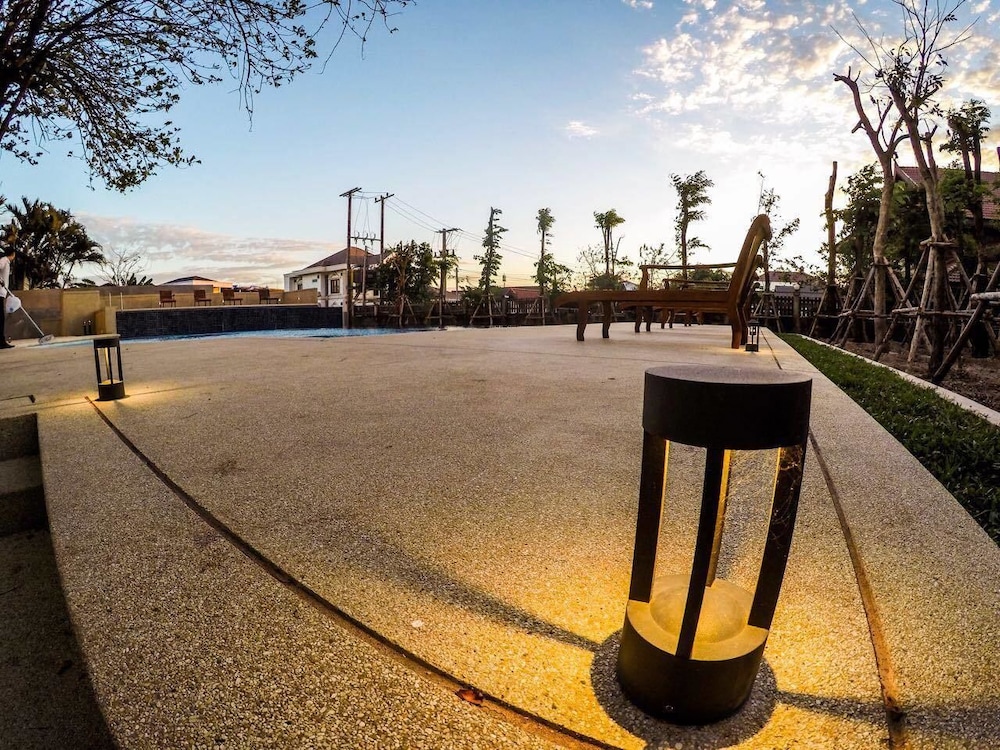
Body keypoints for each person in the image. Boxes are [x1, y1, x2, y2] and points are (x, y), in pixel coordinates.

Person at [0, 247, 15, 349]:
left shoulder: (6, 261)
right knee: (1, 318)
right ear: (13, 254)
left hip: (2, 293)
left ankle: (1, 341)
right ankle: (1, 342)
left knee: (1, 318)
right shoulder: (4, 260)